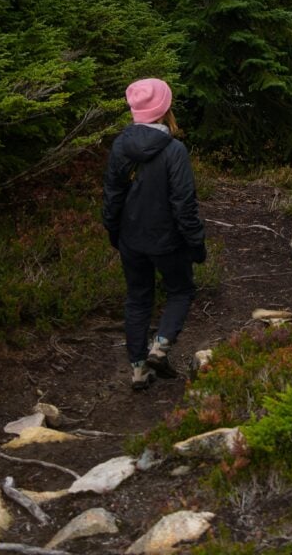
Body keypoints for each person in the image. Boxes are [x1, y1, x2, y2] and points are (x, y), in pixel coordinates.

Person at [102, 78, 206, 390]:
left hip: (130, 239)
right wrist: (196, 243)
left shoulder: (121, 145)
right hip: (167, 241)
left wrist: (113, 232)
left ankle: (138, 370)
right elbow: (184, 205)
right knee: (180, 291)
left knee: (137, 298)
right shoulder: (174, 150)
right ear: (164, 109)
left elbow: (112, 195)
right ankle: (159, 348)